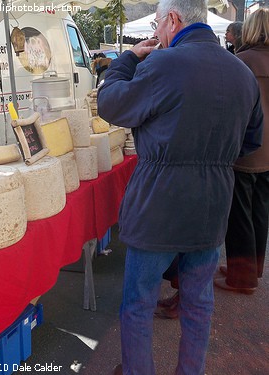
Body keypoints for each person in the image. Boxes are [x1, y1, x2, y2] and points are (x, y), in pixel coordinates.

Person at [96, 0, 264, 374]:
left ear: (173, 19)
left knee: (138, 303)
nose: (155, 34)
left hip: (157, 205)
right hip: (212, 206)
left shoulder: (161, 64)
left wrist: (128, 59)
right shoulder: (241, 71)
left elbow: (110, 103)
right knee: (199, 302)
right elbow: (251, 141)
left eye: (157, 25)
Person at [216, 8, 269, 295]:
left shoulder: (242, 61)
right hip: (268, 152)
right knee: (261, 211)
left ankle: (242, 276)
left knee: (239, 214)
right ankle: (252, 268)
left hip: (246, 145)